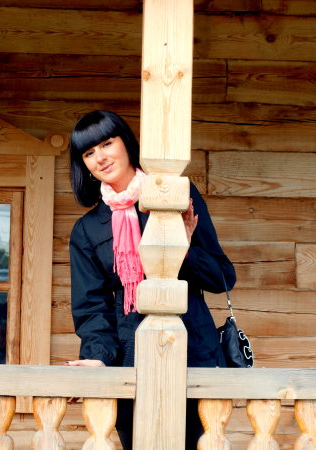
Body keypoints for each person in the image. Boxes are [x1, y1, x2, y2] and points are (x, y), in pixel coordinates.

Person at [67, 110, 236, 450]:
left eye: (107, 144)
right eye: (88, 153)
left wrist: (184, 249)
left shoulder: (176, 197)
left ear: (126, 143)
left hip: (194, 353)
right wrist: (98, 356)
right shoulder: (88, 229)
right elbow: (91, 308)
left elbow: (222, 277)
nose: (100, 158)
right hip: (129, 361)